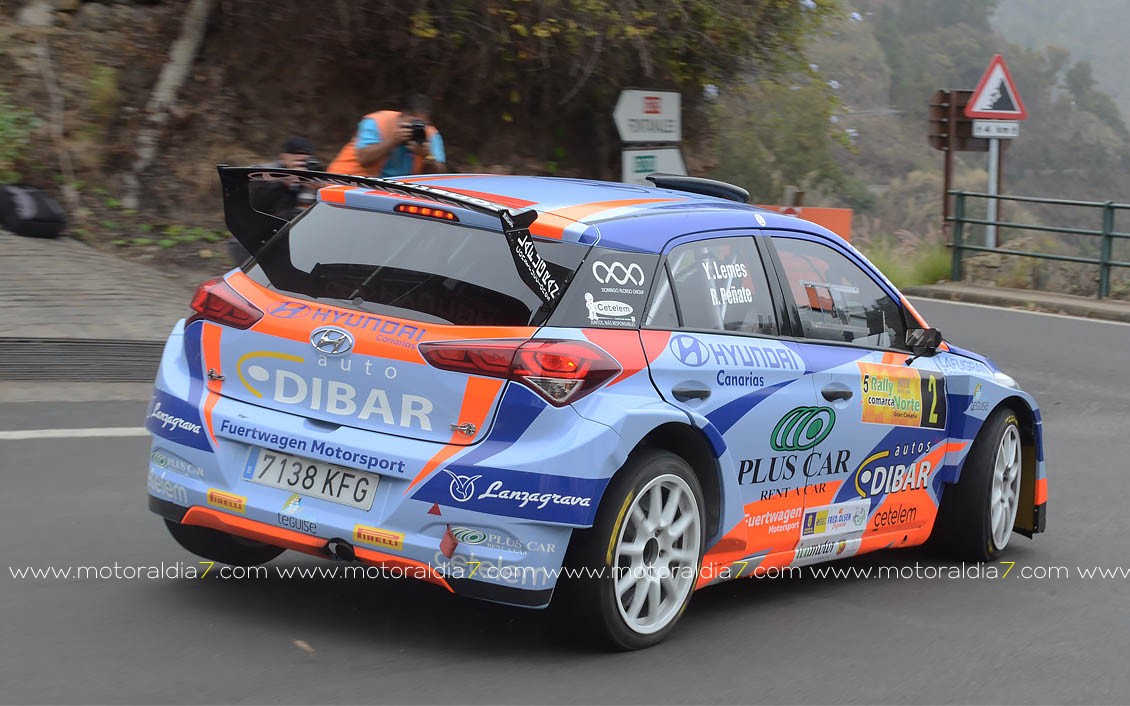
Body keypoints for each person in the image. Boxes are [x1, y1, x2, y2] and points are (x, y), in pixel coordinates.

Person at [231, 136, 320, 264]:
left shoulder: (312, 175)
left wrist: (317, 191)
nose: (301, 159)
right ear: (283, 156)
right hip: (252, 238)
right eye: (296, 154)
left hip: (286, 240)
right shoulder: (264, 173)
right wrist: (284, 183)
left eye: (305, 156)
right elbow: (253, 204)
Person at [327, 94, 446, 177]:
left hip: (394, 189)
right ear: (401, 116)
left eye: (421, 124)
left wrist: (427, 156)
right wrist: (393, 141)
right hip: (349, 180)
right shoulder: (377, 122)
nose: (414, 129)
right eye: (412, 123)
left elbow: (439, 176)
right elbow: (363, 158)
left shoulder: (431, 135)